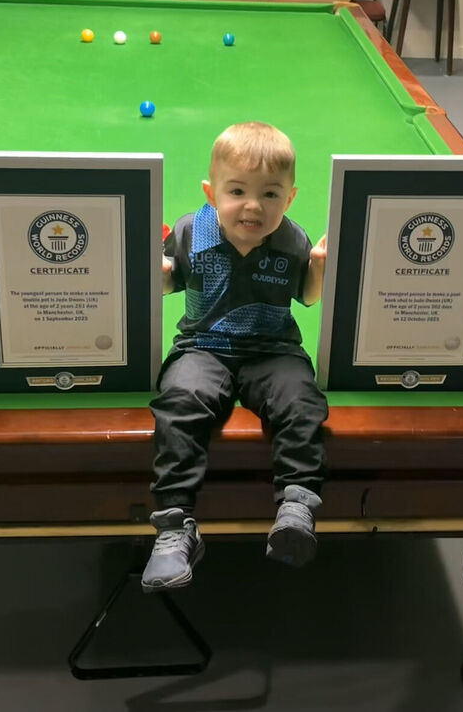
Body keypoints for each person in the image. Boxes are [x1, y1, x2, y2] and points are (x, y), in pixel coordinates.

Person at [142, 121, 329, 592]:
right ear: (211, 193)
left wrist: (321, 270)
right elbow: (168, 282)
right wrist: (153, 269)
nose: (253, 206)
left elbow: (306, 297)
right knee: (180, 400)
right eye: (237, 191)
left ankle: (297, 507)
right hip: (202, 348)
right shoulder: (189, 231)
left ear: (289, 198)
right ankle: (174, 527)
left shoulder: (293, 239)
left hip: (274, 350)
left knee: (302, 400)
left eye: (270, 194)